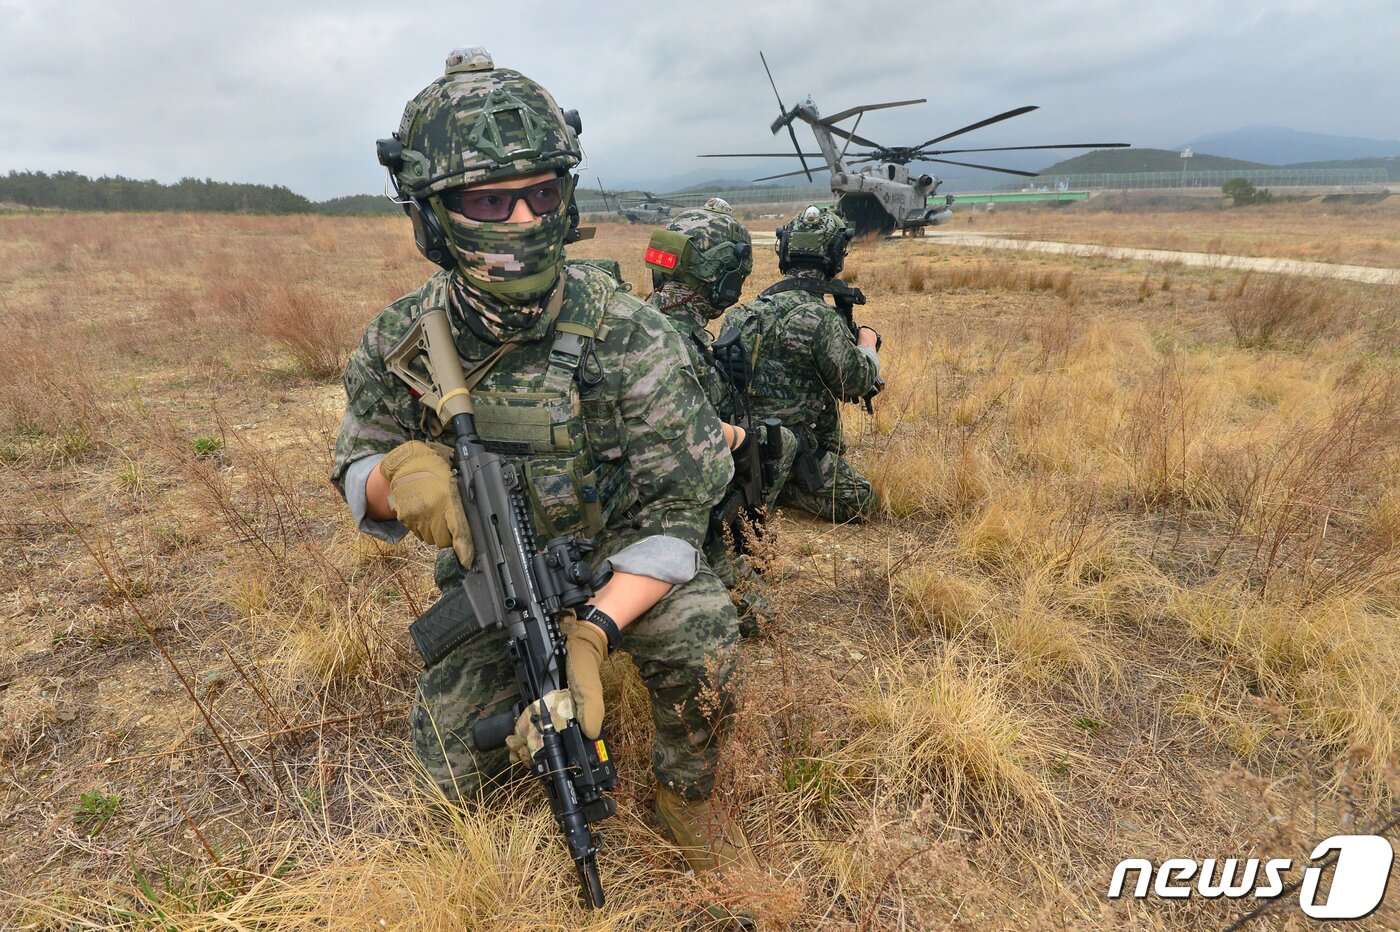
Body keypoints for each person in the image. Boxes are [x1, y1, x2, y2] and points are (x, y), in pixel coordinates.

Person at [330, 47, 760, 911]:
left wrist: (594, 635)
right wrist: (397, 477)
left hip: (621, 569)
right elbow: (356, 462)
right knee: (451, 782)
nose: (522, 218)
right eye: (490, 199)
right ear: (432, 215)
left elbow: (681, 511)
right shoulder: (401, 338)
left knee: (709, 639)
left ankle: (687, 800)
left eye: (542, 193)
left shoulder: (629, 333)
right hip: (493, 588)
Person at [643, 199, 795, 635]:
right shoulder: (678, 347)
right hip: (665, 517)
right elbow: (691, 463)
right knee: (762, 616)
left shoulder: (640, 322)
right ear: (724, 283)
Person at [723, 205, 883, 524]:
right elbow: (855, 381)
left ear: (785, 252)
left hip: (738, 439)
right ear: (836, 255)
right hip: (789, 444)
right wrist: (867, 343)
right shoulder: (820, 319)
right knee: (863, 500)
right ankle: (786, 490)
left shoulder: (743, 313)